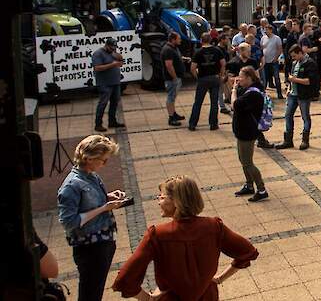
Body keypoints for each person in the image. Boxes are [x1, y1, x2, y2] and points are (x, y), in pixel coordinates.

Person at [112, 176, 259, 300]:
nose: (158, 202)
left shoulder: (158, 235)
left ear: (177, 202)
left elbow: (125, 278)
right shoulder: (214, 226)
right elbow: (247, 251)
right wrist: (219, 278)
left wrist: (147, 298)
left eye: (162, 197)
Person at [58, 135, 126, 301]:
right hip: (90, 248)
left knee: (95, 289)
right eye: (103, 160)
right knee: (90, 293)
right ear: (89, 158)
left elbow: (89, 202)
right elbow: (69, 222)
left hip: (103, 241)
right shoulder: (71, 186)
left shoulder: (91, 175)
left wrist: (108, 197)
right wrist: (103, 208)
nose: (105, 164)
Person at [230, 66, 268, 202]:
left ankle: (262, 189)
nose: (238, 79)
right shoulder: (247, 90)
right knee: (243, 160)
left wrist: (233, 90)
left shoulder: (253, 94)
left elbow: (234, 105)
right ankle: (249, 185)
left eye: (241, 77)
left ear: (249, 78)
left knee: (248, 163)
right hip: (242, 131)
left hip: (247, 132)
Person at [275, 44, 317, 150]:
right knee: (288, 115)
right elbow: (292, 77)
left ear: (300, 53)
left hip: (303, 95)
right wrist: (289, 88)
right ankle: (288, 140)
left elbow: (309, 81)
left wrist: (294, 80)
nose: (292, 58)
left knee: (305, 117)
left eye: (294, 56)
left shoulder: (310, 63)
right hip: (293, 95)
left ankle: (305, 140)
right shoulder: (295, 63)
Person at [189, 33, 226, 131]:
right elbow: (223, 64)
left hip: (203, 79)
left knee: (198, 103)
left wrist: (197, 77)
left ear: (201, 40)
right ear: (210, 40)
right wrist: (221, 75)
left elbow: (192, 68)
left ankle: (193, 124)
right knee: (214, 103)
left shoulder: (198, 52)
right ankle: (213, 124)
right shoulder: (217, 50)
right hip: (214, 78)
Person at [91, 37, 125, 132]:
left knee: (115, 102)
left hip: (115, 82)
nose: (113, 50)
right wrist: (112, 64)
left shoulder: (113, 52)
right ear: (106, 45)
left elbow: (121, 62)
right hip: (104, 83)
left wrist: (118, 56)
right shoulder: (98, 54)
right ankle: (98, 124)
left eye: (114, 48)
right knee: (103, 103)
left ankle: (112, 121)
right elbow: (97, 68)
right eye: (111, 48)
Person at [160, 32, 186, 127]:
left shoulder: (174, 48)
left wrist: (183, 59)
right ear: (173, 39)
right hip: (171, 79)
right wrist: (174, 78)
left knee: (173, 97)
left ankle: (173, 113)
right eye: (178, 39)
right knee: (171, 98)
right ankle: (171, 118)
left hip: (176, 78)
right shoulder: (168, 50)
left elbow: (175, 59)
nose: (180, 40)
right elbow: (169, 65)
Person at [261, 24, 283, 99]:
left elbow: (280, 49)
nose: (265, 31)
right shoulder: (263, 38)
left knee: (276, 78)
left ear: (271, 30)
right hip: (265, 62)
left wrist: (276, 58)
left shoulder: (277, 38)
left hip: (274, 62)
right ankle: (263, 94)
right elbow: (262, 48)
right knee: (265, 79)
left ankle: (279, 94)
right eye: (265, 30)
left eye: (267, 30)